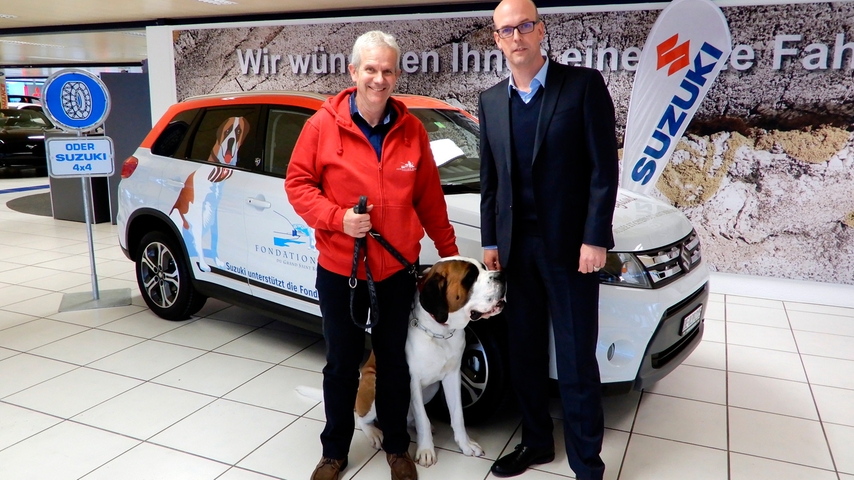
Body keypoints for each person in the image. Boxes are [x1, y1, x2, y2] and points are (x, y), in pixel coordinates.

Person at [285, 30, 458, 480]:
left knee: (393, 363)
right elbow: (297, 185)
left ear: (396, 74)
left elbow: (430, 200)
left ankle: (397, 447)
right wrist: (337, 218)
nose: (379, 79)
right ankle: (334, 452)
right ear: (353, 72)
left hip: (396, 271)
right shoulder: (322, 126)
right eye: (370, 69)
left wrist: (449, 254)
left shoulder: (412, 131)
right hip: (340, 270)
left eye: (387, 71)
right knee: (342, 364)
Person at [478, 0, 619, 478]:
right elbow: (490, 182)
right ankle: (536, 443)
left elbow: (603, 169)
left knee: (577, 360)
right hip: (516, 252)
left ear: (541, 31)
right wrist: (491, 242)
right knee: (525, 354)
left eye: (524, 26)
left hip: (571, 251)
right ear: (496, 40)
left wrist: (595, 237)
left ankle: (586, 464)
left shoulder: (582, 86)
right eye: (506, 30)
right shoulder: (490, 101)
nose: (516, 37)